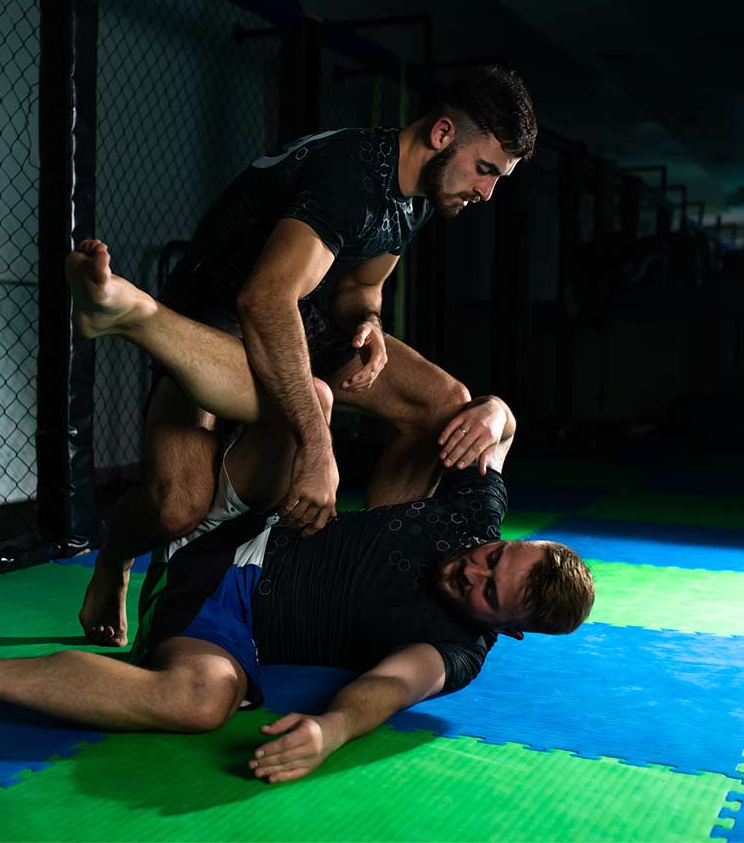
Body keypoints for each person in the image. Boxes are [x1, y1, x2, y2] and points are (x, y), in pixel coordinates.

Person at [0, 242, 594, 785]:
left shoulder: (454, 650)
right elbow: (494, 432)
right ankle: (159, 343)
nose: (473, 566)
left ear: (507, 627)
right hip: (251, 508)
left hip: (216, 605)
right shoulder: (474, 519)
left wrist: (330, 730)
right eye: (496, 556)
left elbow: (388, 689)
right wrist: (496, 411)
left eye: (486, 589)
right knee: (320, 405)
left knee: (202, 701)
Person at [83, 65, 539, 647]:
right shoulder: (353, 174)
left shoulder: (419, 193)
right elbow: (264, 298)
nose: (487, 191)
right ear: (443, 134)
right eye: (486, 170)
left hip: (302, 321)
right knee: (177, 508)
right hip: (210, 322)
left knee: (445, 407)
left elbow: (359, 290)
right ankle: (115, 559)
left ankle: (362, 563)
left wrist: (368, 323)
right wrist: (319, 449)